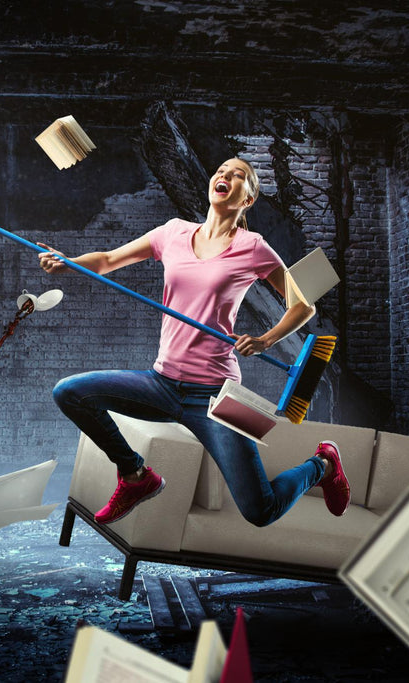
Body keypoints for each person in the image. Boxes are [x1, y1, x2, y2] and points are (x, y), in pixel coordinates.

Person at [37, 158, 350, 526]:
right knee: (69, 392)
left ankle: (323, 464)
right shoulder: (173, 233)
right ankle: (136, 477)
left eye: (239, 176)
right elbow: (107, 260)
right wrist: (69, 262)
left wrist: (266, 339)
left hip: (215, 396)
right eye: (221, 170)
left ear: (248, 199)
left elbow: (303, 304)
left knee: (260, 511)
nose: (225, 176)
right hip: (161, 383)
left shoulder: (253, 247)